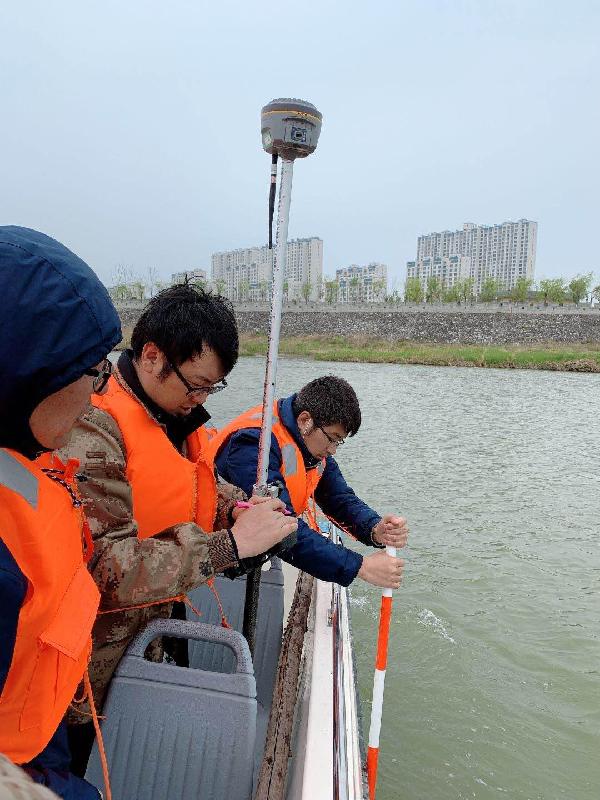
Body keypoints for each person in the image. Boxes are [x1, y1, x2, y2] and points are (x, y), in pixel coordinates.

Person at [57, 284, 297, 772]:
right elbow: (105, 567)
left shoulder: (167, 413)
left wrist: (232, 509)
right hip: (80, 676)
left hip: (147, 639)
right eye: (197, 384)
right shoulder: (90, 428)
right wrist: (231, 546)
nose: (201, 398)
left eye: (213, 388)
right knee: (73, 769)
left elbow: (188, 485)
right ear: (151, 357)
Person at [0, 225, 123, 799]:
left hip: (46, 723)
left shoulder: (27, 456)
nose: (99, 393)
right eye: (92, 370)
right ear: (30, 368)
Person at [209, 375, 407, 588]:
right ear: (305, 421)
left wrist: (374, 527)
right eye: (332, 438)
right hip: (213, 558)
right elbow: (278, 525)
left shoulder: (312, 446)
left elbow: (339, 498)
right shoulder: (255, 445)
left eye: (339, 442)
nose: (332, 450)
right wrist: (360, 567)